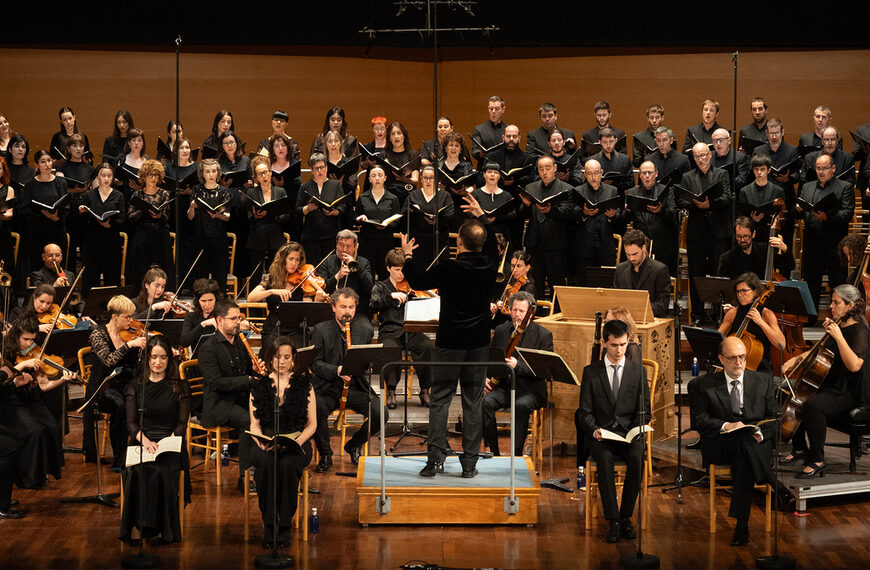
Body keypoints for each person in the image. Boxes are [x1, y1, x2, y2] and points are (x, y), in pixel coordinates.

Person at [402, 195, 498, 479]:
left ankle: (435, 461)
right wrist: (482, 216)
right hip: (478, 344)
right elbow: (491, 244)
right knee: (472, 401)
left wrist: (407, 255)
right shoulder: (490, 265)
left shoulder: (450, 267)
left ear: (459, 243)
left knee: (441, 399)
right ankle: (469, 464)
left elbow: (418, 281)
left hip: (449, 343)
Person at [688, 335, 777, 546]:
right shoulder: (702, 385)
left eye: (743, 357)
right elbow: (699, 421)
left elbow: (775, 418)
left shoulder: (763, 380)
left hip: (754, 442)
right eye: (733, 358)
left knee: (744, 451)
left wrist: (760, 433)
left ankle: (742, 524)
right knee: (741, 444)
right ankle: (773, 484)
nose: (739, 363)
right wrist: (728, 426)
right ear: (721, 359)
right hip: (720, 442)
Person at [783, 285, 869, 479]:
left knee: (812, 405)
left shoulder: (860, 330)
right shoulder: (837, 325)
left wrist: (838, 336)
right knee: (789, 393)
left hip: (846, 392)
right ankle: (799, 448)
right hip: (829, 386)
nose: (831, 306)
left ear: (850, 306)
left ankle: (817, 459)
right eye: (831, 301)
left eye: (836, 302)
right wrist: (795, 359)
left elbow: (854, 365)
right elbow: (818, 351)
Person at [578, 319, 650, 543]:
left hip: (629, 435)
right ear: (604, 343)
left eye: (623, 344)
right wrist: (594, 430)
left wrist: (638, 428)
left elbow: (645, 411)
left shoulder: (638, 372)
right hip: (603, 436)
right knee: (605, 460)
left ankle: (626, 517)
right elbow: (584, 412)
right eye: (614, 345)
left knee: (638, 457)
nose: (620, 350)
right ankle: (614, 520)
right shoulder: (591, 372)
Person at [120, 335, 190, 544]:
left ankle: (163, 529)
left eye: (163, 357)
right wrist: (145, 441)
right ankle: (143, 525)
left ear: (169, 359)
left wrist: (170, 439)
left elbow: (181, 422)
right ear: (147, 359)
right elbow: (131, 423)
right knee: (138, 471)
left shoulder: (180, 387)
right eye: (153, 357)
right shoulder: (135, 386)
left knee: (162, 472)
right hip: (143, 440)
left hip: (169, 441)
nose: (158, 362)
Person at [248, 337, 316, 549]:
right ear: (270, 359)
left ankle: (284, 525)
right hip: (267, 442)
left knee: (286, 466)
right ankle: (269, 524)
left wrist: (297, 442)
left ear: (293, 360)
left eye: (287, 357)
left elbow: (312, 425)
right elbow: (254, 424)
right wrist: (259, 442)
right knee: (267, 466)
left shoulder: (305, 385)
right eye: (278, 357)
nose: (282, 361)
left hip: (297, 441)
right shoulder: (259, 386)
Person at [310, 288, 383, 471]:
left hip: (354, 386)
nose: (347, 311)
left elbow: (366, 360)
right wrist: (337, 370)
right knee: (316, 408)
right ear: (333, 307)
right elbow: (315, 364)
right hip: (328, 386)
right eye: (343, 306)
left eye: (351, 307)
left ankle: (354, 445)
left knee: (381, 413)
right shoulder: (320, 330)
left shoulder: (364, 330)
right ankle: (326, 454)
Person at [0, 318, 76, 489]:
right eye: (25, 339)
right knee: (34, 431)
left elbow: (44, 385)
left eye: (32, 339)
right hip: (11, 401)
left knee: (52, 426)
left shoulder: (34, 352)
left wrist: (62, 380)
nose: (29, 343)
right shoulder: (5, 353)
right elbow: (2, 380)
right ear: (16, 337)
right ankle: (26, 478)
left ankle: (41, 473)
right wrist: (22, 365)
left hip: (31, 398)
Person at [198, 299, 263, 490]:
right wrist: (249, 379)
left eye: (239, 318)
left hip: (239, 398)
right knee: (248, 421)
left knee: (265, 413)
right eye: (233, 318)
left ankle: (262, 472)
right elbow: (216, 383)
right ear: (219, 320)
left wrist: (254, 371)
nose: (238, 322)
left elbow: (244, 374)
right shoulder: (208, 348)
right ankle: (244, 477)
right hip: (219, 405)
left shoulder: (239, 343)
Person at [483, 291, 553, 457]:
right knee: (484, 403)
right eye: (514, 310)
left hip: (530, 389)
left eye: (521, 311)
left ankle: (517, 455)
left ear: (530, 312)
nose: (517, 315)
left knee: (520, 406)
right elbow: (490, 358)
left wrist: (518, 366)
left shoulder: (544, 335)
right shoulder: (501, 330)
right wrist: (485, 378)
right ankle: (494, 453)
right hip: (505, 387)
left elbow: (544, 371)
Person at [85, 295, 148, 468]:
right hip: (103, 387)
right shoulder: (98, 333)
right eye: (127, 317)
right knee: (121, 407)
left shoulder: (131, 333)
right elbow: (108, 360)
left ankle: (143, 453)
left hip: (127, 384)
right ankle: (120, 459)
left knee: (145, 400)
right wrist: (129, 346)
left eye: (132, 316)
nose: (131, 320)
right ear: (114, 317)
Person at [369, 248, 435, 409]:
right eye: (397, 270)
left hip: (411, 330)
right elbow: (372, 306)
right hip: (390, 331)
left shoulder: (412, 286)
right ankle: (391, 391)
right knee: (390, 349)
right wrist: (389, 297)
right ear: (388, 268)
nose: (401, 274)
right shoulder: (380, 286)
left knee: (428, 347)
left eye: (403, 270)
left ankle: (425, 389)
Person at [680, 142, 732, 325]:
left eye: (703, 155)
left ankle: (720, 315)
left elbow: (727, 197)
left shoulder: (721, 174)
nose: (700, 159)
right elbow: (682, 200)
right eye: (697, 157)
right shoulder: (687, 177)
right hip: (696, 234)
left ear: (710, 155)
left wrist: (709, 204)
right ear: (693, 158)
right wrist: (694, 203)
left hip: (717, 232)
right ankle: (697, 315)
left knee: (719, 275)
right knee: (696, 275)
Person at [795, 153, 854, 313]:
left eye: (825, 168)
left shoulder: (844, 187)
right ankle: (811, 318)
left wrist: (827, 217)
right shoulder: (807, 187)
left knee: (838, 282)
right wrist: (799, 209)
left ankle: (840, 318)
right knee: (811, 282)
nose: (821, 172)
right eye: (818, 168)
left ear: (833, 169)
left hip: (835, 243)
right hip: (812, 242)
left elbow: (847, 213)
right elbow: (801, 212)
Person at [521, 155, 574, 299]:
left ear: (555, 168)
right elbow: (524, 214)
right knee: (534, 285)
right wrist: (525, 206)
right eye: (541, 169)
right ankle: (534, 317)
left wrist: (551, 211)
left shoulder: (567, 189)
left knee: (556, 286)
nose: (544, 172)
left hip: (556, 246)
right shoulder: (530, 187)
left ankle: (557, 316)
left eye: (548, 168)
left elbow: (569, 213)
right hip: (534, 244)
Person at [247, 242, 319, 349]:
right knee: (270, 352)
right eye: (291, 259)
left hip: (295, 328)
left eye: (297, 260)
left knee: (296, 355)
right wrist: (272, 291)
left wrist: (317, 299)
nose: (294, 263)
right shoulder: (270, 278)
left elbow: (307, 306)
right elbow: (250, 298)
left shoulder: (302, 280)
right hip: (273, 326)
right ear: (283, 260)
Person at [718, 272, 786, 376]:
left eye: (744, 291)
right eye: (738, 292)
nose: (740, 295)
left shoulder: (766, 314)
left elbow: (781, 344)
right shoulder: (733, 312)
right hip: (734, 368)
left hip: (759, 369)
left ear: (755, 292)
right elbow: (718, 339)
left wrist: (761, 323)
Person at [571, 158, 626, 286]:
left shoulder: (611, 190)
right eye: (589, 173)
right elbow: (572, 214)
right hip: (584, 246)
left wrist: (612, 216)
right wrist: (583, 213)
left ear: (601, 172)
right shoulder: (578, 191)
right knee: (584, 284)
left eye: (596, 173)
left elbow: (620, 216)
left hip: (606, 245)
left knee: (606, 283)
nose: (593, 177)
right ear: (585, 175)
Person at [126, 159, 174, 290]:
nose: (153, 178)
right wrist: (142, 211)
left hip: (160, 235)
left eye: (156, 175)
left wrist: (159, 215)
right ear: (144, 177)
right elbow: (130, 217)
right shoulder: (137, 194)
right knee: (141, 267)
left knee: (161, 266)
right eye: (150, 175)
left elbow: (167, 217)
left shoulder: (164, 193)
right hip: (142, 234)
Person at [626, 160, 678, 275]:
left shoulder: (666, 190)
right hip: (639, 246)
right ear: (640, 176)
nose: (647, 176)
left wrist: (660, 211)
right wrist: (627, 211)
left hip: (662, 244)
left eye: (650, 172)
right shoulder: (632, 192)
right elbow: (627, 219)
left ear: (656, 174)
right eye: (644, 173)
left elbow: (672, 214)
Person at [79, 170, 125, 296]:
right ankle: (88, 309)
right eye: (103, 176)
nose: (106, 178)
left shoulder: (118, 195)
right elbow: (84, 222)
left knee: (112, 275)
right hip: (92, 241)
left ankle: (111, 307)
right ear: (98, 178)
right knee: (91, 275)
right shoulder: (89, 196)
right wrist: (83, 213)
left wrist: (109, 224)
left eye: (109, 176)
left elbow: (122, 219)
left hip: (111, 240)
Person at [22, 150, 69, 272]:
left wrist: (56, 218)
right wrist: (42, 215)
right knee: (38, 266)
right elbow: (25, 208)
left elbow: (66, 205)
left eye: (49, 160)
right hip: (37, 231)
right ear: (37, 165)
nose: (47, 164)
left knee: (58, 267)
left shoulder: (61, 182)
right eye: (43, 162)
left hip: (57, 229)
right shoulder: (30, 184)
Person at [245, 155, 290, 283]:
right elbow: (248, 218)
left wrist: (272, 215)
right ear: (256, 177)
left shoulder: (280, 191)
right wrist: (255, 216)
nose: (264, 176)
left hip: (275, 237)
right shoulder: (251, 193)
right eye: (260, 174)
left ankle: (273, 299)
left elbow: (287, 217)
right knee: (255, 273)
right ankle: (255, 299)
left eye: (265, 172)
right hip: (257, 237)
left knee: (275, 273)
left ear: (270, 172)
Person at [296, 153, 346, 265]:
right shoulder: (305, 187)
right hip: (311, 235)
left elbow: (343, 207)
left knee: (330, 268)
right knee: (312, 268)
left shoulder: (335, 185)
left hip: (331, 234)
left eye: (322, 167)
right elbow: (297, 210)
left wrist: (334, 212)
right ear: (311, 170)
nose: (320, 171)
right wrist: (307, 208)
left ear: (326, 168)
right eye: (316, 168)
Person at [188, 158, 230, 287]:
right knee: (202, 272)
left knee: (219, 273)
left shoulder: (224, 191)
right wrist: (191, 206)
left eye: (213, 171)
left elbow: (227, 217)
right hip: (201, 236)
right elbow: (190, 217)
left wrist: (217, 215)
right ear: (202, 174)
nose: (211, 175)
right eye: (207, 171)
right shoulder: (197, 189)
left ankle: (220, 301)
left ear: (218, 173)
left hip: (218, 237)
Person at [404, 165, 455, 271]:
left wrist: (437, 220)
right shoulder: (413, 195)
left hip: (439, 241)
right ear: (421, 179)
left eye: (431, 178)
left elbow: (450, 216)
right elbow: (404, 216)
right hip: (418, 242)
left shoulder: (445, 196)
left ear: (436, 180)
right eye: (425, 178)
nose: (428, 181)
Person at [355, 165, 400, 281]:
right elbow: (355, 218)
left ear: (385, 178)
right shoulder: (363, 198)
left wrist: (386, 225)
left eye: (380, 175)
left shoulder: (393, 198)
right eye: (373, 176)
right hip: (367, 240)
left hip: (386, 241)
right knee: (366, 274)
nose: (377, 178)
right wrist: (361, 217)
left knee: (385, 274)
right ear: (369, 179)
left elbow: (397, 220)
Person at [316, 230, 375, 318]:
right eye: (341, 245)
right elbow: (321, 289)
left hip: (357, 312)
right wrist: (336, 277)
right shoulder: (327, 262)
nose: (344, 250)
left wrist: (356, 267)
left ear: (355, 247)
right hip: (332, 311)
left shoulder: (363, 263)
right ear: (336, 245)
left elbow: (369, 289)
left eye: (348, 246)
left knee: (366, 329)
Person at [613, 229, 671, 318]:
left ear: (643, 248)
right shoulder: (620, 268)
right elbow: (615, 298)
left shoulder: (659, 269)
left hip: (651, 319)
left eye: (635, 254)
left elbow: (663, 304)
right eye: (627, 254)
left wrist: (637, 311)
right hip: (625, 321)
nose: (631, 258)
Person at [218, 130, 253, 275]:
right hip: (226, 205)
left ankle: (242, 276)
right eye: (226, 143)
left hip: (242, 205)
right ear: (222, 146)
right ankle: (226, 274)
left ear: (236, 143)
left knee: (242, 242)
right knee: (227, 243)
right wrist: (223, 185)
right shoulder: (219, 162)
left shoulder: (245, 160)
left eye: (232, 142)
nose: (229, 145)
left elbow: (250, 180)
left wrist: (250, 184)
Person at [717, 217, 794, 280]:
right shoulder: (726, 258)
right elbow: (723, 286)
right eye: (739, 236)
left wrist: (785, 249)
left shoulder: (765, 250)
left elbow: (790, 266)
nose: (742, 240)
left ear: (753, 234)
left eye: (746, 236)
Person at [59, 133, 94, 269]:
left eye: (81, 145)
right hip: (69, 210)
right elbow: (60, 188)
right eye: (74, 146)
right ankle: (69, 285)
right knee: (69, 251)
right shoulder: (63, 167)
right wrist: (75, 191)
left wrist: (87, 191)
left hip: (85, 211)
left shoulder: (89, 168)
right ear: (69, 148)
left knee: (87, 251)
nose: (78, 149)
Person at [738, 154, 785, 244]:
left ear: (769, 170)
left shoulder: (778, 191)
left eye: (762, 169)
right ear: (753, 170)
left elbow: (781, 216)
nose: (759, 172)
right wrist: (752, 219)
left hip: (770, 234)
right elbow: (741, 216)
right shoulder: (744, 191)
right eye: (756, 169)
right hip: (751, 235)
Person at [180, 278, 224, 349]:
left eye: (210, 300)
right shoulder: (191, 316)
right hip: (199, 358)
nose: (207, 305)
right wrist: (203, 324)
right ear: (198, 301)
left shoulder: (222, 314)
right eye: (203, 301)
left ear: (216, 299)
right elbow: (184, 342)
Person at [383, 122, 420, 206]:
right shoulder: (384, 155)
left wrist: (404, 179)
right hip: (389, 195)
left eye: (399, 133)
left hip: (408, 192)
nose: (396, 137)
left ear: (404, 136)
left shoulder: (413, 154)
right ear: (389, 138)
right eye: (393, 134)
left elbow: (415, 180)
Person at [588, 128, 633, 193]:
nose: (608, 145)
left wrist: (615, 185)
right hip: (599, 198)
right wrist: (601, 184)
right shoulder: (592, 161)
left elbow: (631, 182)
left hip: (619, 198)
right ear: (599, 142)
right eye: (605, 142)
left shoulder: (625, 159)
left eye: (611, 141)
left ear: (616, 140)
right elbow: (587, 184)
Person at [471, 96, 507, 166]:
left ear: (503, 109)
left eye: (497, 109)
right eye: (491, 109)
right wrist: (480, 154)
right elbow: (475, 151)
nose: (493, 111)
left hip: (504, 168)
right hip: (485, 168)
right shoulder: (479, 129)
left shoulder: (508, 130)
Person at [113, 128, 147, 204]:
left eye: (139, 140)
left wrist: (140, 188)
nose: (136, 143)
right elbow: (112, 178)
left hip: (141, 200)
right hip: (122, 198)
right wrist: (115, 181)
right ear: (129, 143)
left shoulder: (147, 162)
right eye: (133, 140)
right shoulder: (120, 159)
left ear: (143, 144)